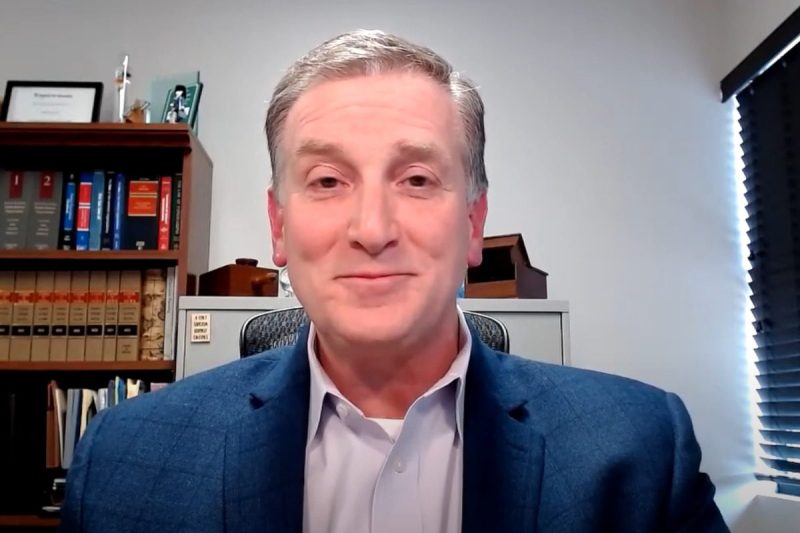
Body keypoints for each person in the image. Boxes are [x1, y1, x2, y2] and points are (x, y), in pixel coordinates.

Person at [61, 30, 729, 532]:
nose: (372, 228)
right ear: (279, 226)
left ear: (473, 224)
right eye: (327, 181)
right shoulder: (125, 463)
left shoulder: (639, 454)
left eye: (416, 179)